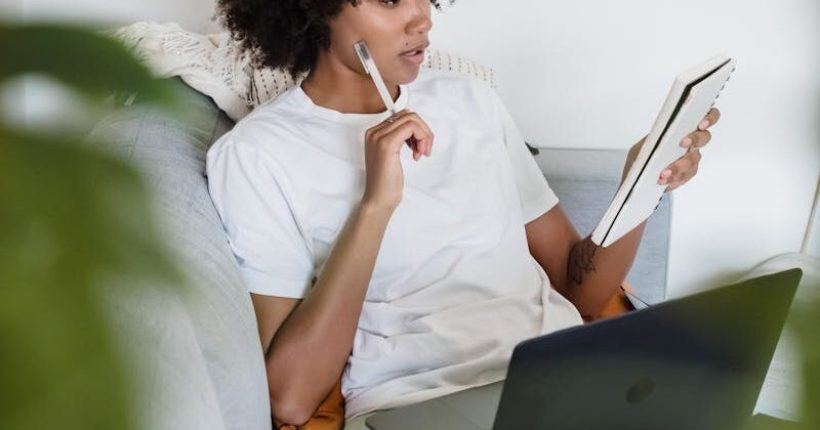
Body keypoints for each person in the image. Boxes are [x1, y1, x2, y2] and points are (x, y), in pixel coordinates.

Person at [207, 0, 721, 427]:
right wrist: (376, 205)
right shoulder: (257, 154)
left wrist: (644, 181)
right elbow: (290, 398)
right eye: (390, 0)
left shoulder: (470, 100)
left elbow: (579, 285)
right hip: (418, 405)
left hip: (562, 373)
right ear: (314, 11)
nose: (422, 18)